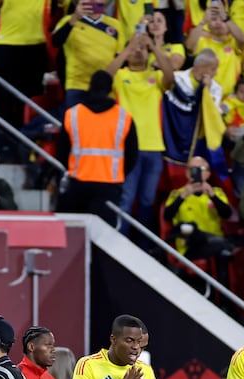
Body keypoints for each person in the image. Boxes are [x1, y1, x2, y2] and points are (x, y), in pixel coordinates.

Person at [110, 29, 176, 237]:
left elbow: (170, 77)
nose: (138, 51)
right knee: (126, 199)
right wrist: (127, 49)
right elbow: (104, 76)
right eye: (134, 48)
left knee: (148, 201)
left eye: (142, 48)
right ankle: (121, 243)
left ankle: (144, 247)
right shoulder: (121, 76)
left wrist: (154, 46)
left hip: (154, 147)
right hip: (128, 147)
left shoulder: (155, 77)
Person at [57, 71, 139, 224]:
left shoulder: (72, 114)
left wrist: (73, 168)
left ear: (90, 87)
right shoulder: (123, 117)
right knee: (103, 237)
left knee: (76, 234)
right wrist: (119, 173)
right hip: (109, 185)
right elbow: (132, 155)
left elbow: (61, 150)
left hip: (78, 183)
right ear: (110, 89)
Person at [163, 156, 237, 283]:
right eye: (193, 169)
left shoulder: (216, 192)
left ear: (208, 173)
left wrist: (212, 196)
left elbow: (227, 214)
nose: (197, 172)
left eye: (201, 168)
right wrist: (183, 196)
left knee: (222, 252)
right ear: (187, 173)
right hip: (190, 246)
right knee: (224, 249)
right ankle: (223, 299)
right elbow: (167, 216)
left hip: (215, 243)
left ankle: (222, 299)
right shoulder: (177, 193)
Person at [0, 0, 50, 132]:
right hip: (7, 43)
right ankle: (3, 141)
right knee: (5, 96)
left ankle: (27, 139)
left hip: (37, 44)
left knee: (32, 98)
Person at [51, 1, 122, 109]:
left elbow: (119, 57)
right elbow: (55, 42)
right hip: (77, 85)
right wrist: (75, 18)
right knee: (74, 123)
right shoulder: (68, 20)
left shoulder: (116, 25)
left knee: (103, 125)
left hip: (107, 87)